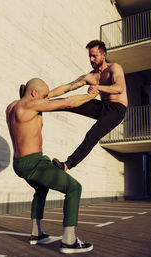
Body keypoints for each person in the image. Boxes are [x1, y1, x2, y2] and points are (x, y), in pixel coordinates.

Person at [6, 78, 97, 253]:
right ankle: (69, 241)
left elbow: (58, 92)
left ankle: (36, 233)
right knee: (74, 188)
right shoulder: (30, 107)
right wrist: (92, 95)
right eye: (44, 96)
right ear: (34, 94)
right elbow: (68, 103)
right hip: (34, 162)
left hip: (19, 163)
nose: (45, 100)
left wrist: (81, 81)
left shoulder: (11, 107)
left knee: (41, 189)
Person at [48, 40, 128, 171]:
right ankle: (41, 103)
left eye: (94, 56)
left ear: (103, 55)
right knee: (70, 103)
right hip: (103, 106)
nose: (91, 59)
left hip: (117, 109)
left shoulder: (114, 68)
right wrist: (47, 95)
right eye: (90, 56)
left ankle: (66, 165)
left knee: (92, 134)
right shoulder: (91, 76)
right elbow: (68, 87)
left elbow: (119, 88)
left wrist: (98, 87)